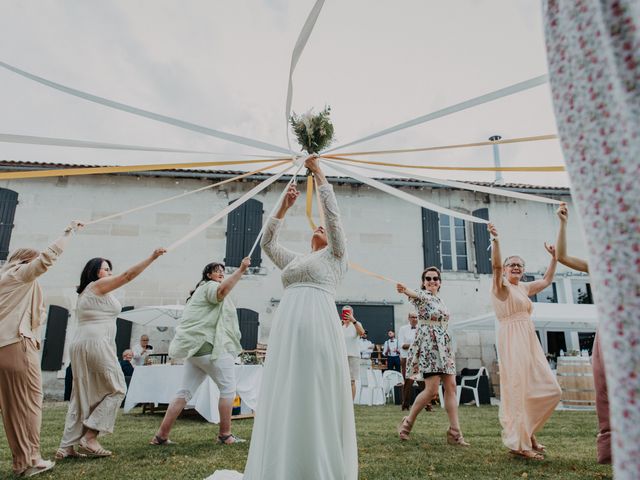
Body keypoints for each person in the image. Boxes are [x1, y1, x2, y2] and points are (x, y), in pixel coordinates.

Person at [208, 155, 357, 480]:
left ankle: (317, 463)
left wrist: (319, 175)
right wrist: (284, 208)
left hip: (319, 325)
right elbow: (268, 244)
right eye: (315, 227)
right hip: (288, 328)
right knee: (288, 386)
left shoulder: (335, 256)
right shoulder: (296, 260)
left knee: (315, 387)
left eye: (325, 230)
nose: (319, 227)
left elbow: (332, 218)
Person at [57, 247, 166, 459]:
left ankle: (66, 447)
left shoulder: (91, 292)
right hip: (96, 343)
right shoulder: (96, 286)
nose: (109, 272)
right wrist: (151, 257)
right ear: (95, 272)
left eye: (109, 269)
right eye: (105, 269)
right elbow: (128, 276)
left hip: (85, 343)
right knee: (117, 388)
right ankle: (90, 437)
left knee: (82, 395)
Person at [0, 221, 82, 477]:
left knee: (13, 408)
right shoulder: (19, 273)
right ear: (25, 260)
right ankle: (30, 459)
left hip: (5, 346)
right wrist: (68, 234)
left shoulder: (6, 280)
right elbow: (46, 259)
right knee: (30, 403)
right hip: (17, 344)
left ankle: (22, 462)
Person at [150, 257, 249, 445]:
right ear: (208, 275)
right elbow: (221, 291)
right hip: (208, 347)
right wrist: (241, 270)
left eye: (222, 270)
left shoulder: (200, 291)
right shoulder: (211, 287)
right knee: (228, 389)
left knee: (184, 391)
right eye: (216, 270)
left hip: (194, 350)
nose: (220, 272)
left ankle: (161, 436)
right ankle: (225, 435)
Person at [488, 223, 561, 460]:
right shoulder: (502, 288)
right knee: (518, 388)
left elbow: (548, 280)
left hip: (529, 340)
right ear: (506, 270)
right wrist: (497, 241)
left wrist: (554, 257)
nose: (516, 267)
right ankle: (520, 444)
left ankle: (528, 434)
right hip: (511, 340)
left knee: (549, 388)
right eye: (512, 264)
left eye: (520, 264)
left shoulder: (524, 288)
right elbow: (496, 266)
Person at [550, 203, 609, 464]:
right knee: (604, 389)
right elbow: (562, 257)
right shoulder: (597, 265)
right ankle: (614, 447)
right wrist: (563, 223)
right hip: (607, 331)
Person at [395, 267, 468, 446]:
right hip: (429, 346)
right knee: (432, 391)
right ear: (423, 281)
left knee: (451, 387)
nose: (432, 281)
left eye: (435, 278)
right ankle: (407, 423)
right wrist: (405, 289)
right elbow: (415, 295)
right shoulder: (422, 296)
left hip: (444, 347)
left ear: (440, 282)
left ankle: (455, 432)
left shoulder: (441, 301)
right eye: (428, 278)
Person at [398, 312, 424, 411]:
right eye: (412, 317)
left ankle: (427, 405)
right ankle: (405, 405)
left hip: (419, 358)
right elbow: (402, 345)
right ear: (408, 318)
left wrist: (412, 346)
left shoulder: (421, 329)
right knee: (407, 381)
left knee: (422, 381)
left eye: (416, 317)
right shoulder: (403, 329)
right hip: (406, 358)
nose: (415, 319)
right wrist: (415, 346)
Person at [341, 305, 365, 400]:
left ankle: (350, 404)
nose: (346, 314)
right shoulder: (339, 324)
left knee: (351, 381)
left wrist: (353, 320)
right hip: (341, 356)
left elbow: (362, 333)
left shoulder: (356, 323)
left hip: (353, 355)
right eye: (344, 312)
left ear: (352, 313)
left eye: (348, 312)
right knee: (341, 381)